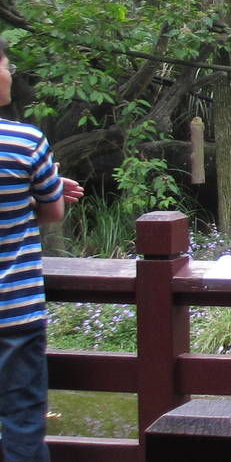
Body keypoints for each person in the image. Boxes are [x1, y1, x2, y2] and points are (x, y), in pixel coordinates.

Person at [1, 38, 83, 462]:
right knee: (21, 421)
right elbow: (52, 212)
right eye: (7, 65)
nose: (11, 74)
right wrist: (36, 194)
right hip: (13, 312)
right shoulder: (23, 140)